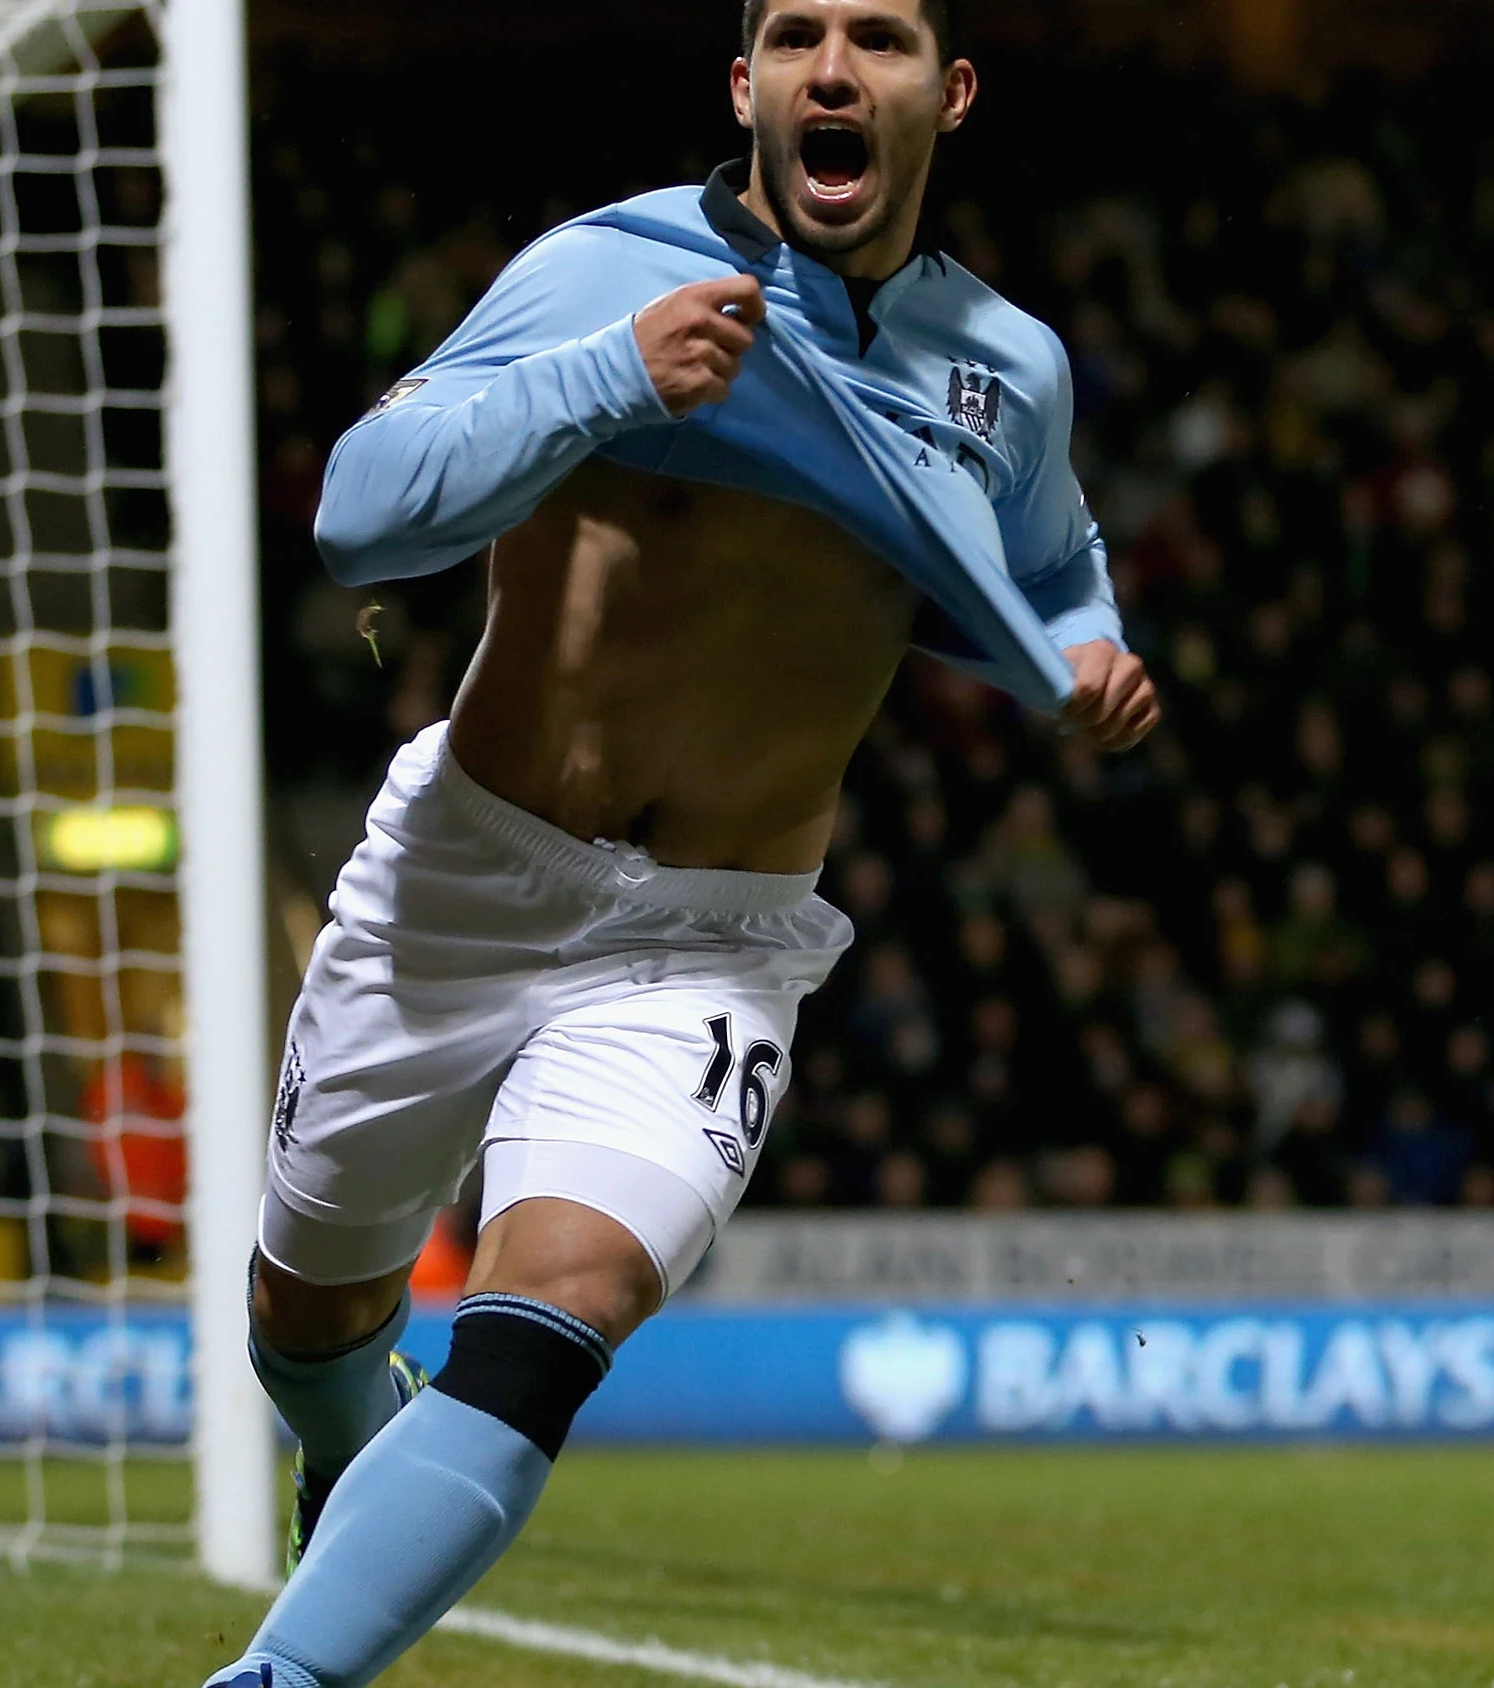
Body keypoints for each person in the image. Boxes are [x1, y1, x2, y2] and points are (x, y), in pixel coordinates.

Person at [203, 2, 1159, 1682]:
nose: (834, 69)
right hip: (469, 875)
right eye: (796, 35)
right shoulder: (603, 272)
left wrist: (1087, 661)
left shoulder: (1006, 370)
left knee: (554, 1309)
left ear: (952, 91)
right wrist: (610, 377)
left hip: (714, 933)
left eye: (879, 37)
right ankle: (362, 1455)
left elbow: (1054, 578)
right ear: (748, 87)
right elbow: (362, 509)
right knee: (304, 1319)